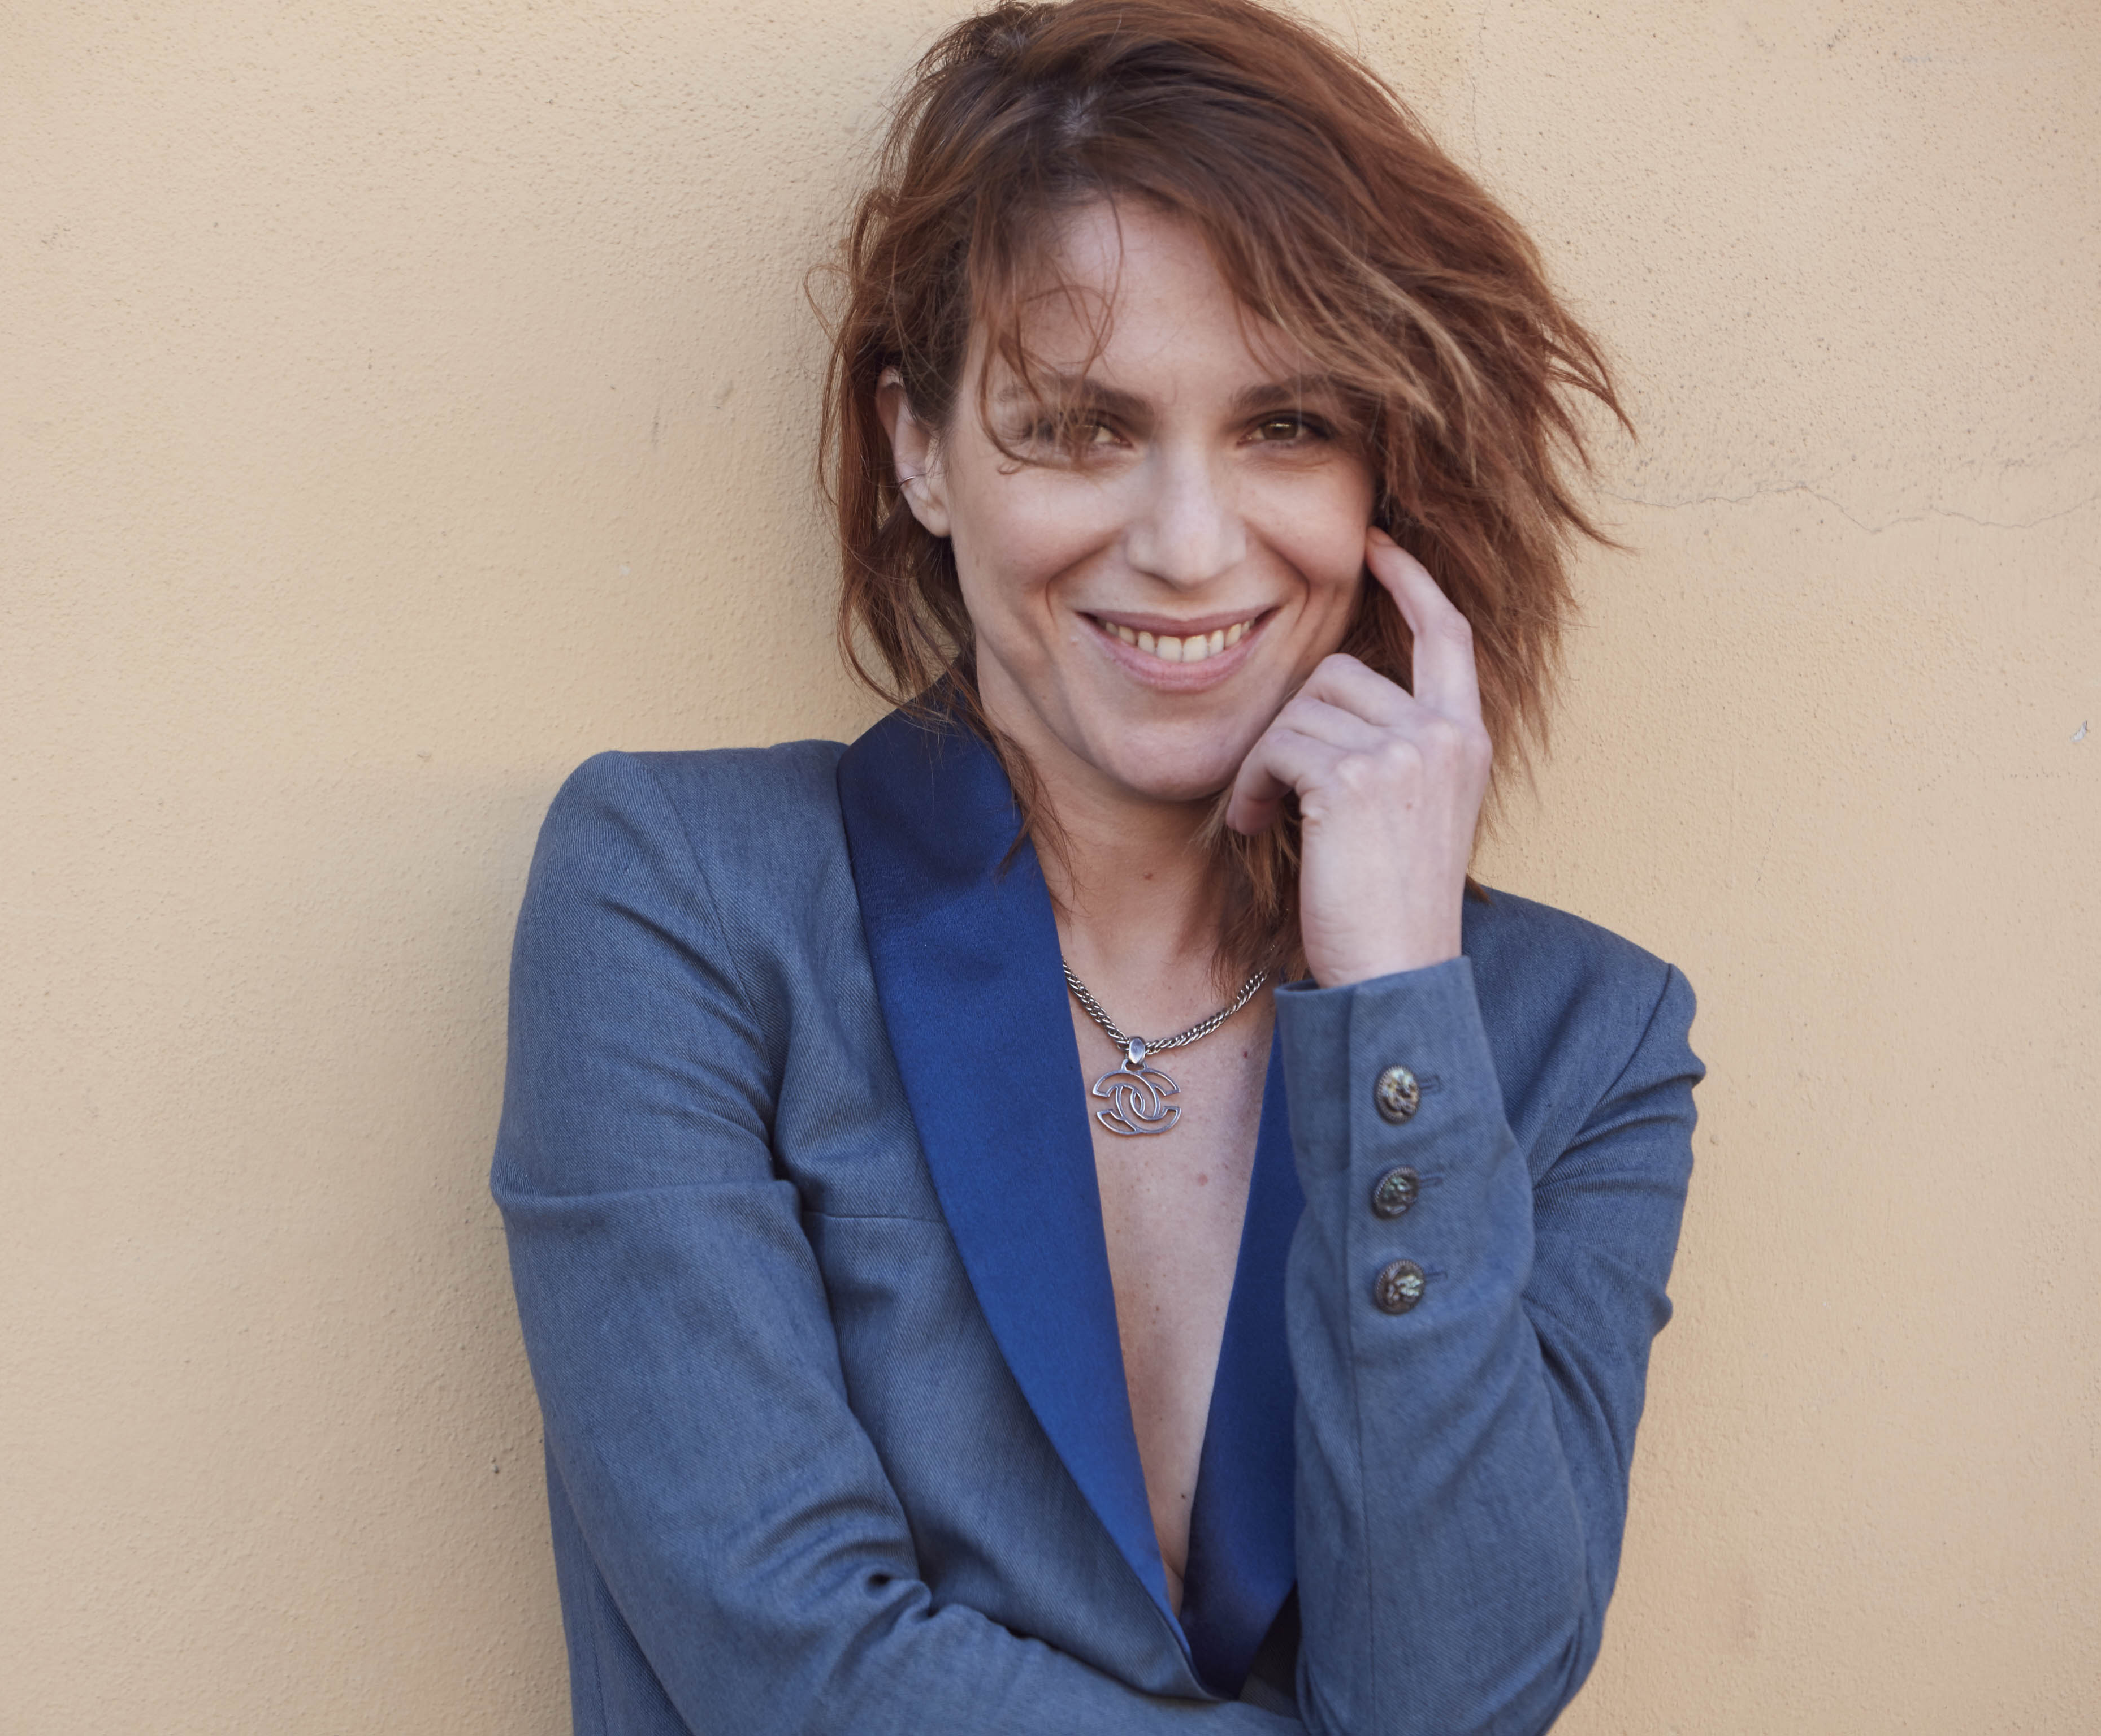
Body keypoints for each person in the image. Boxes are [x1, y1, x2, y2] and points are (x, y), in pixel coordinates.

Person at [491, 2, 1701, 1731]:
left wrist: (1395, 1008)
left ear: (1385, 466)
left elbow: (1462, 1693)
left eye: (1287, 424)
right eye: (1080, 426)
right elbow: (796, 1669)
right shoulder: (680, 900)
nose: (1191, 545)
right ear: (920, 447)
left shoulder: (1582, 1037)